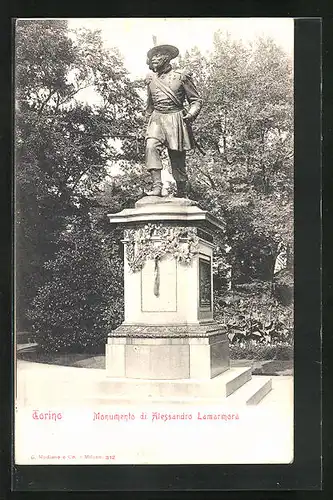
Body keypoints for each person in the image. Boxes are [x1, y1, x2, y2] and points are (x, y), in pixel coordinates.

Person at [144, 43, 203, 197]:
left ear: (167, 57)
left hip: (175, 118)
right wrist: (146, 125)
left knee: (176, 158)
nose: (154, 58)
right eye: (152, 56)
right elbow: (150, 106)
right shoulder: (151, 79)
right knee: (151, 146)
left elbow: (196, 100)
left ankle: (182, 190)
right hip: (157, 118)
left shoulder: (181, 76)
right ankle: (157, 187)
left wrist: (191, 114)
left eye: (158, 55)